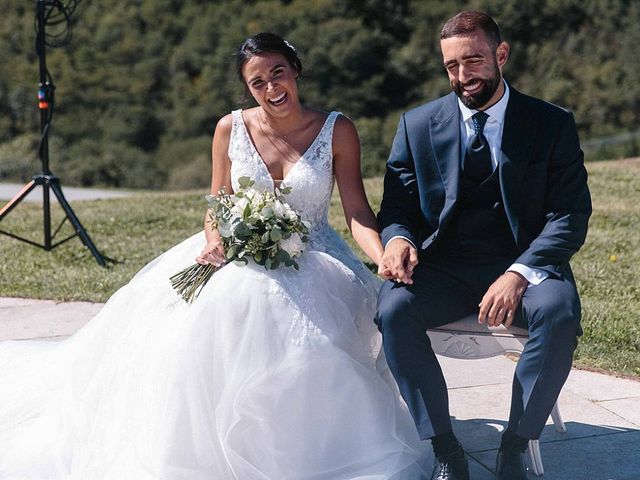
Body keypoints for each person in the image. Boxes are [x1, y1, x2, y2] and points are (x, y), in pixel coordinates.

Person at [0, 33, 429, 479]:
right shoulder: (230, 128)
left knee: (314, 346)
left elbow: (357, 210)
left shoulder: (337, 129)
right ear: (248, 88)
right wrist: (214, 239)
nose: (271, 88)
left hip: (314, 253)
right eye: (257, 82)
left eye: (278, 73)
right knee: (212, 323)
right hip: (236, 253)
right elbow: (217, 205)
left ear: (295, 69)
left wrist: (382, 256)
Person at [376, 11, 591, 480]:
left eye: (472, 60)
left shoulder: (551, 123)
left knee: (558, 311)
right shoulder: (417, 124)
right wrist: (398, 240)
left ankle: (516, 441)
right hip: (444, 269)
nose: (462, 75)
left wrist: (518, 273)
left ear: (501, 54)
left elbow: (570, 216)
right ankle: (444, 448)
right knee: (393, 310)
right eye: (451, 66)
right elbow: (396, 207)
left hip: (524, 269)